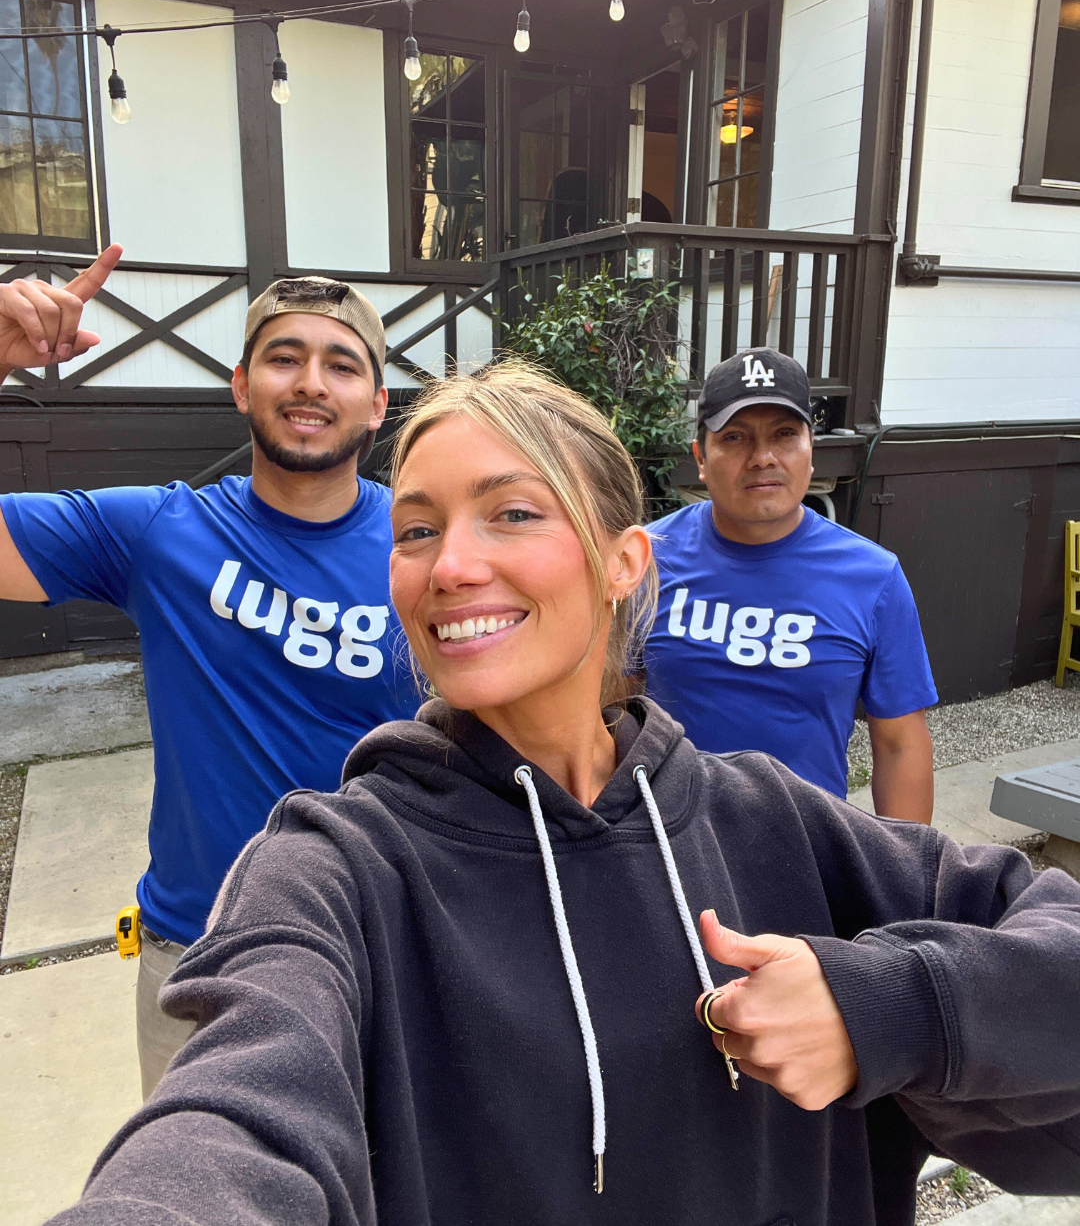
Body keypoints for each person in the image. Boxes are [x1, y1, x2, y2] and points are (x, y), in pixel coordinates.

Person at [47, 362, 1080, 1226]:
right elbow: (235, 1114)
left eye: (512, 513)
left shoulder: (782, 828)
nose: (451, 564)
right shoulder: (332, 871)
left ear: (625, 561)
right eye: (413, 531)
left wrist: (895, 1003)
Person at [0, 249, 418, 1096]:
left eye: (342, 364)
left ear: (376, 406)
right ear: (240, 386)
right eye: (283, 357)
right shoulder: (160, 532)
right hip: (197, 953)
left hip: (381, 943)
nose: (310, 382)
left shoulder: (429, 548)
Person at [644, 348, 936, 822]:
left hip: (807, 850)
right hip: (668, 845)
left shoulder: (874, 578)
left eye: (784, 435)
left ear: (810, 450)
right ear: (701, 456)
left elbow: (900, 744)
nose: (762, 458)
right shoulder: (646, 559)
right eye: (735, 437)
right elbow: (611, 707)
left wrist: (905, 879)